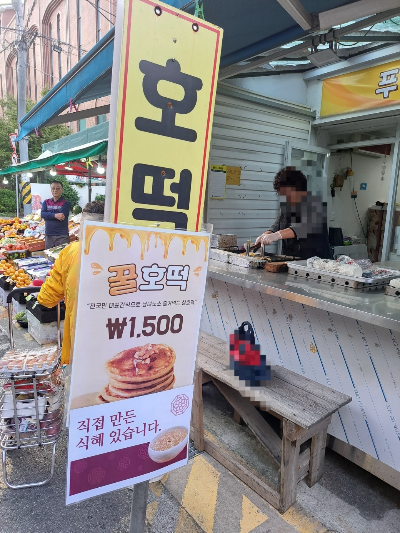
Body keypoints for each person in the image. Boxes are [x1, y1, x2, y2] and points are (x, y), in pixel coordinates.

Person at [37, 201, 105, 365]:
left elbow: (47, 299)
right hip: (118, 339)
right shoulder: (128, 252)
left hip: (80, 340)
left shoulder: (71, 252)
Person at [255, 167, 331, 259]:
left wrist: (277, 235)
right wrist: (266, 234)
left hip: (316, 260)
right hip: (291, 259)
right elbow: (276, 225)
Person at [41, 180, 71, 250]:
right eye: (53, 188)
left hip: (62, 236)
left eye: (58, 188)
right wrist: (55, 215)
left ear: (62, 190)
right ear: (51, 190)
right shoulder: (46, 202)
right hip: (49, 235)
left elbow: (61, 217)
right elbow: (42, 214)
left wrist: (48, 215)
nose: (55, 190)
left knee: (62, 255)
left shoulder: (66, 203)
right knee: (49, 255)